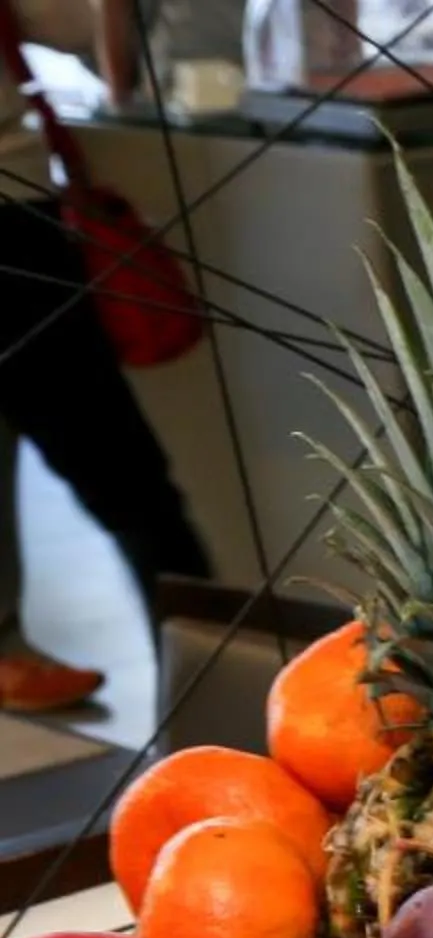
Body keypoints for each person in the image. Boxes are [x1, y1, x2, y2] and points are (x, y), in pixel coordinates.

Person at [0, 0, 209, 711]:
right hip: (11, 238)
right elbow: (84, 24)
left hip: (17, 232)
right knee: (129, 484)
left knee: (119, 480)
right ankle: (209, 685)